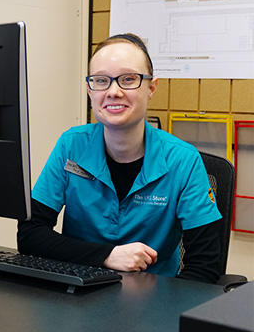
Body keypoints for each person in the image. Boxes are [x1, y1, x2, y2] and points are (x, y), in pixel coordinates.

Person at [17, 33, 222, 283]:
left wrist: (167, 312)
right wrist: (107, 256)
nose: (114, 92)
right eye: (101, 81)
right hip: (78, 295)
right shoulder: (71, 145)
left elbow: (205, 266)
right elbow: (30, 235)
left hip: (154, 304)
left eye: (128, 79)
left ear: (151, 88)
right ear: (90, 90)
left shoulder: (183, 161)